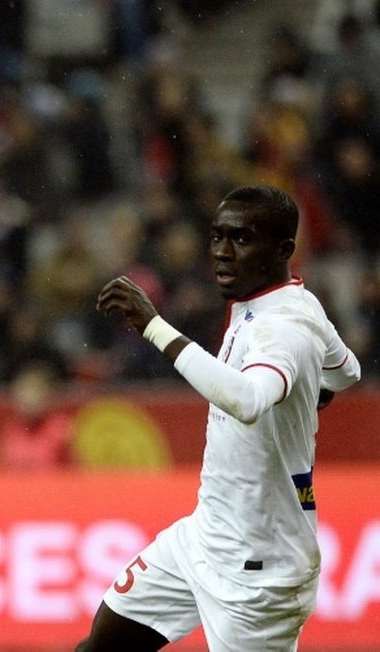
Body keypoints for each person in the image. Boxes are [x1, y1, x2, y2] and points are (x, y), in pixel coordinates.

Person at [78, 184, 361, 651]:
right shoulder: (284, 303)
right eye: (216, 237)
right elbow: (345, 370)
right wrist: (313, 391)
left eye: (242, 239)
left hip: (260, 572)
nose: (222, 253)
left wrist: (153, 325)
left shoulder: (283, 326)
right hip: (204, 535)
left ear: (284, 249)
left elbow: (248, 401)